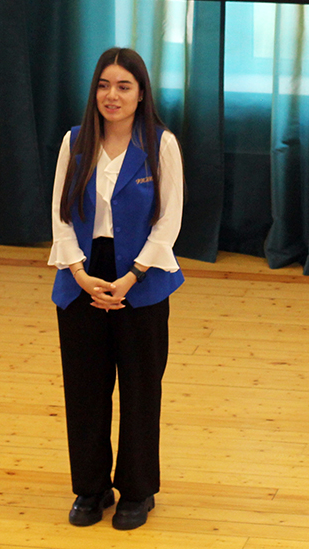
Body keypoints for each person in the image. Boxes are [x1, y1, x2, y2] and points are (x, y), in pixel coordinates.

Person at [48, 47, 184, 530]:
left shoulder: (161, 144)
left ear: (141, 93)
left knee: (140, 388)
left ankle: (138, 490)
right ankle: (91, 488)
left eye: (124, 86)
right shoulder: (75, 142)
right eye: (104, 86)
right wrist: (79, 272)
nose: (113, 95)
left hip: (140, 279)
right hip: (83, 276)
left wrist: (133, 276)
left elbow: (169, 221)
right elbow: (60, 215)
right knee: (85, 388)